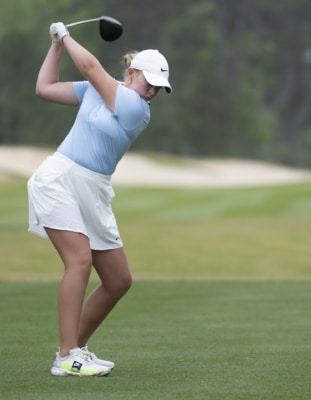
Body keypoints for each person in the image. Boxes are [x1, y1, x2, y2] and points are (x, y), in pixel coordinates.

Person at [27, 22, 172, 377]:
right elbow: (45, 88)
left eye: (158, 87)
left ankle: (71, 351)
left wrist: (65, 36)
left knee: (118, 279)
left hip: (93, 189)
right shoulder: (100, 90)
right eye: (149, 82)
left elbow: (91, 68)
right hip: (59, 179)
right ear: (132, 72)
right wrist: (56, 45)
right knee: (79, 261)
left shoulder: (136, 108)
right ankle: (68, 355)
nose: (152, 91)